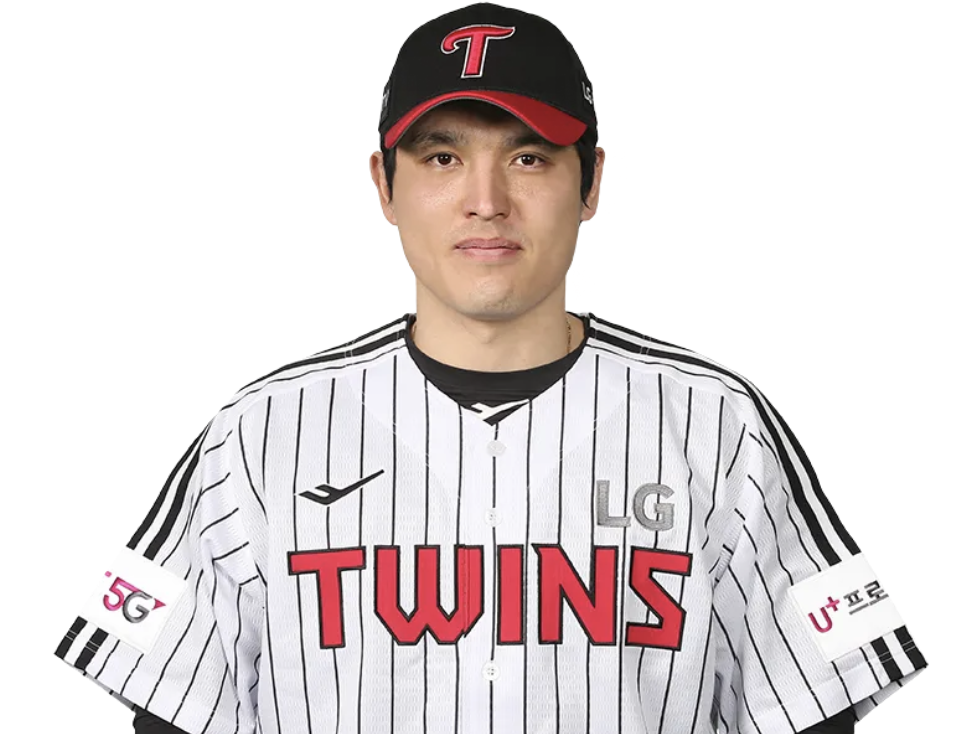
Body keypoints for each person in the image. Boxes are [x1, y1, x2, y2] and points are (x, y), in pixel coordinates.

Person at [53, 3, 927, 733]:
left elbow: (817, 703)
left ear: (590, 184)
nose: (486, 200)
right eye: (443, 157)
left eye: (528, 157)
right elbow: (171, 704)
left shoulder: (718, 425)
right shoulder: (259, 434)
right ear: (383, 185)